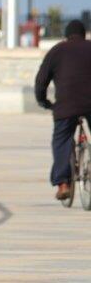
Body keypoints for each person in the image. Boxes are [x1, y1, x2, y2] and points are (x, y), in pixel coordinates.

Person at [34, 19, 91, 200]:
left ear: (67, 35)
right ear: (84, 34)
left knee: (62, 140)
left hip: (66, 105)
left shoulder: (57, 51)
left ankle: (63, 183)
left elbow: (41, 81)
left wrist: (43, 101)